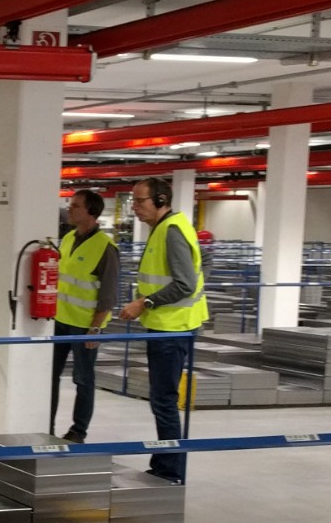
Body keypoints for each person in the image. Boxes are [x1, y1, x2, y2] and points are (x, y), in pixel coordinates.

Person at [119, 177, 206, 485]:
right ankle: (165, 464)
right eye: (133, 201)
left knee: (164, 400)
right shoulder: (162, 228)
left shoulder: (172, 231)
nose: (134, 207)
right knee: (161, 400)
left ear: (160, 200)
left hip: (173, 328)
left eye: (139, 201)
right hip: (164, 326)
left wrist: (144, 302)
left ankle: (170, 470)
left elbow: (185, 284)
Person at [51, 189, 120, 444]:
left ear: (91, 211)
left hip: (84, 325)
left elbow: (108, 294)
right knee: (49, 376)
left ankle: (78, 431)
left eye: (76, 206)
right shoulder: (68, 238)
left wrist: (95, 328)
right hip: (59, 320)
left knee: (83, 379)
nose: (70, 209)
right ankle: (45, 424)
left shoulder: (106, 248)